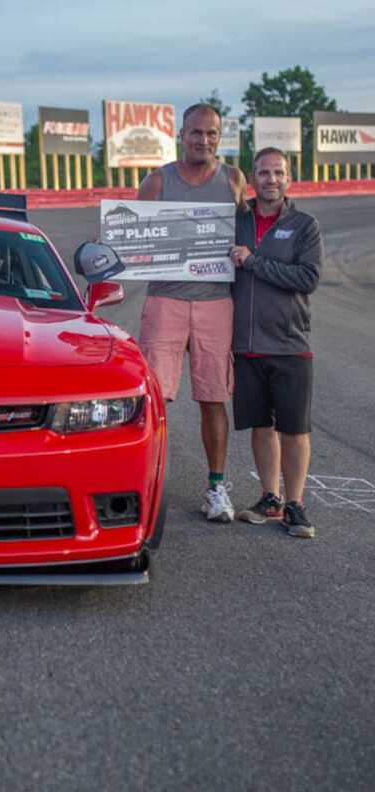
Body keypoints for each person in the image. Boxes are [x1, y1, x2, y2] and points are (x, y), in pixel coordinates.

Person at [137, 104, 247, 522]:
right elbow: (134, 235)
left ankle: (215, 487)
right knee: (155, 399)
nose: (204, 140)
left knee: (213, 397)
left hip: (215, 300)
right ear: (182, 134)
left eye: (212, 134)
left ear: (220, 137)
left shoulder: (233, 180)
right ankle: (147, 483)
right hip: (165, 299)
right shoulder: (157, 181)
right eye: (196, 133)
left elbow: (245, 232)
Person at [229, 147, 323, 537]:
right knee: (261, 426)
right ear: (252, 178)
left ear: (288, 179)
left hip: (290, 345)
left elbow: (308, 278)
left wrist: (252, 262)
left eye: (278, 173)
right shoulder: (237, 221)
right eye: (264, 173)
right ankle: (270, 498)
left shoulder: (304, 225)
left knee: (294, 428)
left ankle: (295, 505)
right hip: (247, 346)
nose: (271, 179)